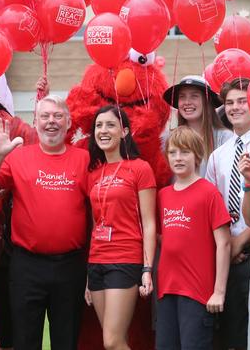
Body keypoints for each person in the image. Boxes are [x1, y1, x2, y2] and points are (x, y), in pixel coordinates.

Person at [0, 94, 89, 350]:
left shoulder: (83, 159)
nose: (51, 122)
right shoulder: (18, 157)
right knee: (25, 340)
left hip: (70, 265)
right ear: (35, 121)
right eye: (45, 116)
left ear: (68, 121)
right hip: (27, 265)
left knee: (67, 340)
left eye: (58, 116)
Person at [205, 77, 250, 350]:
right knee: (232, 334)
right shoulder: (218, 156)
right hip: (227, 256)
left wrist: (240, 242)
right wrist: (226, 247)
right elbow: (215, 207)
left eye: (242, 101)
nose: (235, 108)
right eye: (229, 102)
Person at [84, 105, 156, 349]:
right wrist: (87, 275)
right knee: (113, 340)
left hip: (125, 259)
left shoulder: (140, 168)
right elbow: (95, 223)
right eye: (99, 126)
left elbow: (149, 222)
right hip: (97, 262)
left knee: (112, 341)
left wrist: (147, 267)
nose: (103, 130)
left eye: (110, 125)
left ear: (124, 131)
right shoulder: (94, 173)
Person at [156, 126, 231, 349]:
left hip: (198, 293)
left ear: (197, 156)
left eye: (185, 152)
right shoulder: (163, 195)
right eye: (173, 152)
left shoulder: (209, 192)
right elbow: (164, 238)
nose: (178, 158)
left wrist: (219, 292)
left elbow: (224, 244)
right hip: (167, 290)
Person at [163, 75, 233, 177]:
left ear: (206, 102)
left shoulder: (224, 138)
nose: (187, 102)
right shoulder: (168, 138)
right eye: (182, 97)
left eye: (194, 96)